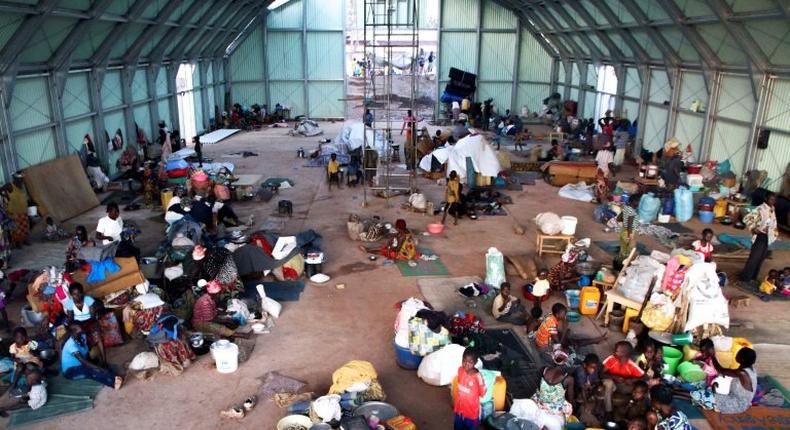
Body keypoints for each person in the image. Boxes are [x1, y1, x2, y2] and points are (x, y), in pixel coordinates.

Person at [61, 324, 122, 390]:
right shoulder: (70, 345)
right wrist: (100, 369)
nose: (81, 329)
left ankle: (115, 376)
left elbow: (86, 354)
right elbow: (84, 362)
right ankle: (113, 383)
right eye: (78, 329)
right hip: (70, 371)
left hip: (81, 364)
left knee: (96, 364)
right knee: (89, 370)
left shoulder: (82, 337)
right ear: (73, 332)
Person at [65, 282, 107, 364]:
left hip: (90, 322)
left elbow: (93, 317)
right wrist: (75, 327)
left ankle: (104, 361)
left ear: (82, 292)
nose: (78, 296)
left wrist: (85, 325)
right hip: (77, 324)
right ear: (71, 295)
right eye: (74, 294)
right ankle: (87, 359)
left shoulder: (88, 300)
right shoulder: (69, 304)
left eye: (80, 293)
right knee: (76, 337)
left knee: (98, 338)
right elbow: (70, 320)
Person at [740, 192, 777, 283]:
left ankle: (753, 277)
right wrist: (753, 228)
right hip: (760, 236)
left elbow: (773, 222)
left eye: (774, 200)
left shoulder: (772, 209)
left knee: (761, 258)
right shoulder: (760, 209)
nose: (773, 201)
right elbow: (747, 218)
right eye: (771, 199)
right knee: (754, 258)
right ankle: (745, 279)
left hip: (767, 236)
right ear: (766, 199)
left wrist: (771, 231)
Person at [602, 341, 645, 415]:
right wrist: (614, 377)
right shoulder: (611, 359)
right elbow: (600, 373)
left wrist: (632, 380)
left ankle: (630, 409)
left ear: (624, 354)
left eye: (616, 351)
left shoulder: (631, 365)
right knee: (609, 383)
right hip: (611, 382)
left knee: (638, 389)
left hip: (622, 385)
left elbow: (644, 377)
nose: (614, 352)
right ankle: (608, 411)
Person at [711, 347, 757, 414]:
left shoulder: (742, 373)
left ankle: (715, 405)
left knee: (701, 395)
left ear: (742, 360)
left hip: (736, 405)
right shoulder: (751, 370)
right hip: (740, 401)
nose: (736, 355)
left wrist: (712, 356)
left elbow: (721, 370)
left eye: (739, 354)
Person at [453, 347, 486, 430]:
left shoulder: (478, 377)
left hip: (471, 414)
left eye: (470, 362)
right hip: (459, 410)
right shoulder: (460, 370)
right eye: (464, 360)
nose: (466, 364)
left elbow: (483, 393)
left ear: (475, 362)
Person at [6, 173, 29, 247]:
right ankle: (17, 243)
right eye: (20, 178)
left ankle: (25, 240)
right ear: (15, 179)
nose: (22, 180)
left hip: (23, 211)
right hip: (14, 212)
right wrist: (6, 196)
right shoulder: (9, 185)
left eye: (22, 178)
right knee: (16, 229)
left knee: (25, 227)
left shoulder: (22, 186)